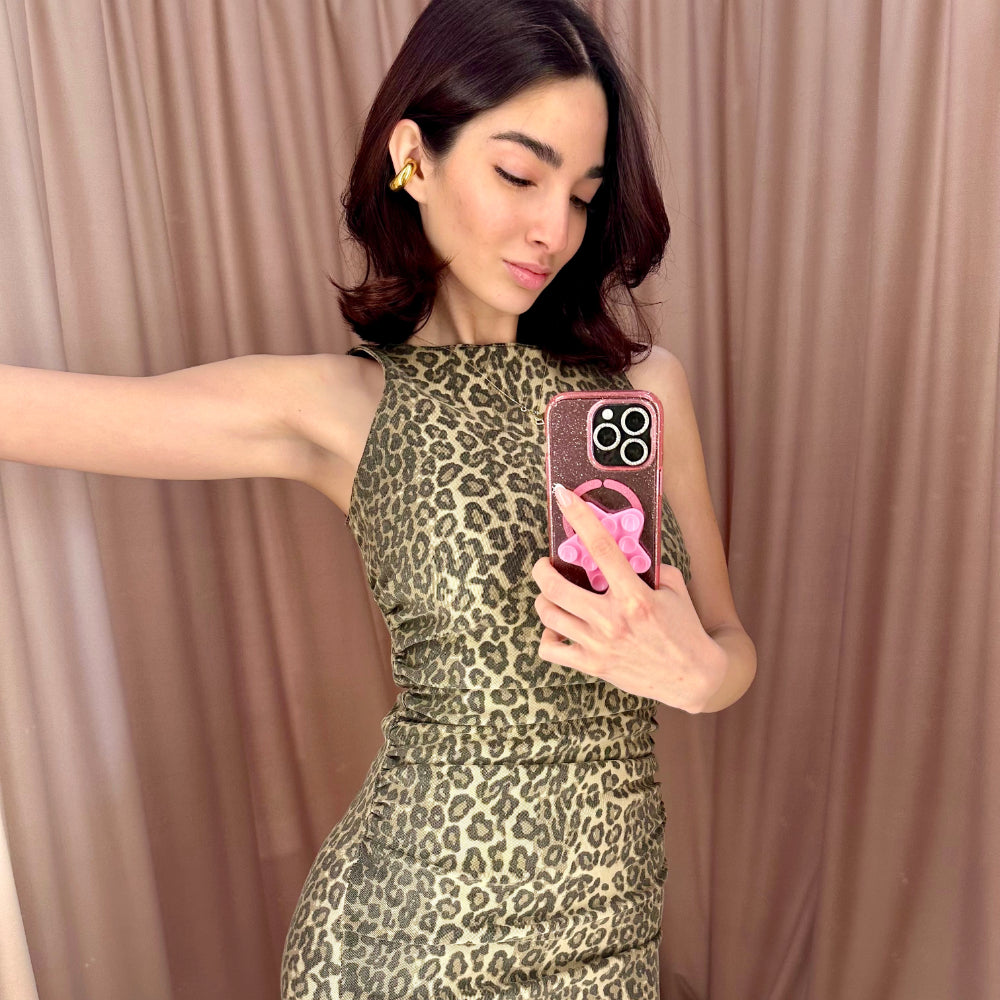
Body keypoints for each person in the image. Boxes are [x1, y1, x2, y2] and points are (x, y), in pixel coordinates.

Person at [0, 0, 755, 996]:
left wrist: (696, 672)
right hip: (404, 943)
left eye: (582, 194)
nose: (553, 229)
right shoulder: (344, 406)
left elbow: (729, 650)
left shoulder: (643, 391)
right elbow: (45, 412)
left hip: (609, 937)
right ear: (413, 158)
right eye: (519, 175)